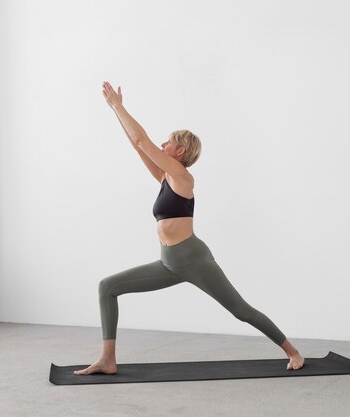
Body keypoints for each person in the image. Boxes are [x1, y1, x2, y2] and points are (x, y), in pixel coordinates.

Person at [74, 81, 305, 375]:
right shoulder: (165, 178)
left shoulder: (182, 177)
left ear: (180, 151)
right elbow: (138, 144)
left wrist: (120, 106)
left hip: (194, 260)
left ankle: (293, 351)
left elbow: (143, 140)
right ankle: (107, 359)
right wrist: (114, 110)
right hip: (169, 263)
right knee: (107, 287)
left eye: (167, 142)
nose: (161, 145)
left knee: (241, 311)